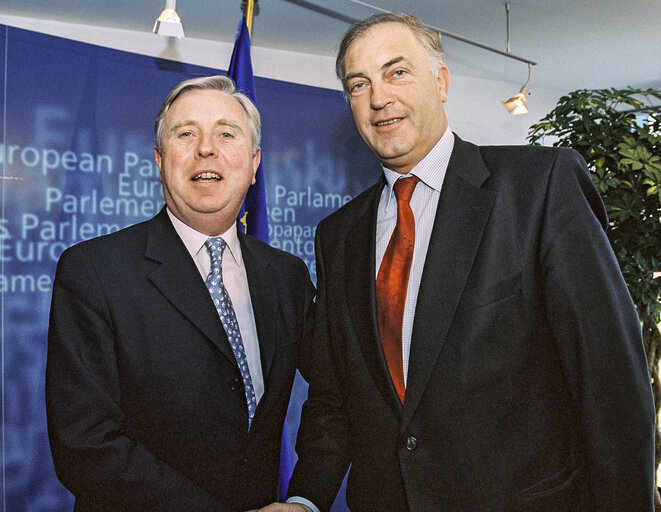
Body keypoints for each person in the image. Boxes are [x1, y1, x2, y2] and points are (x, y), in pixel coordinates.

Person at [263, 13, 655, 512]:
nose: (378, 97)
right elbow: (335, 398)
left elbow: (611, 388)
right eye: (358, 84)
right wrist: (304, 499)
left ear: (442, 82)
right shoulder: (338, 236)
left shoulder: (539, 187)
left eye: (397, 72)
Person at [46, 75, 314, 511]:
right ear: (159, 158)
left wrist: (305, 499)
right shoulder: (93, 271)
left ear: (253, 163)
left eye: (226, 134)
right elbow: (85, 445)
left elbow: (336, 393)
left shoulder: (287, 276)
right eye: (186, 133)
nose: (206, 148)